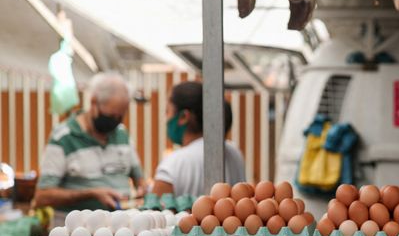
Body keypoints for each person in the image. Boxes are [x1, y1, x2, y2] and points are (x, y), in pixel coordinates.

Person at [35, 72, 144, 211]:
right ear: (94, 103)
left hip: (119, 227)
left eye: (120, 116)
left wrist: (142, 188)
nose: (115, 122)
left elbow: (139, 178)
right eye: (110, 116)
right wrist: (90, 194)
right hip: (77, 230)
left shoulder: (122, 133)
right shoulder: (64, 138)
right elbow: (43, 196)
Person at [152, 81, 246, 197]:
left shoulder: (172, 165)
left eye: (167, 111)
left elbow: (155, 212)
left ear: (183, 117)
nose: (166, 119)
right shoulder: (235, 153)